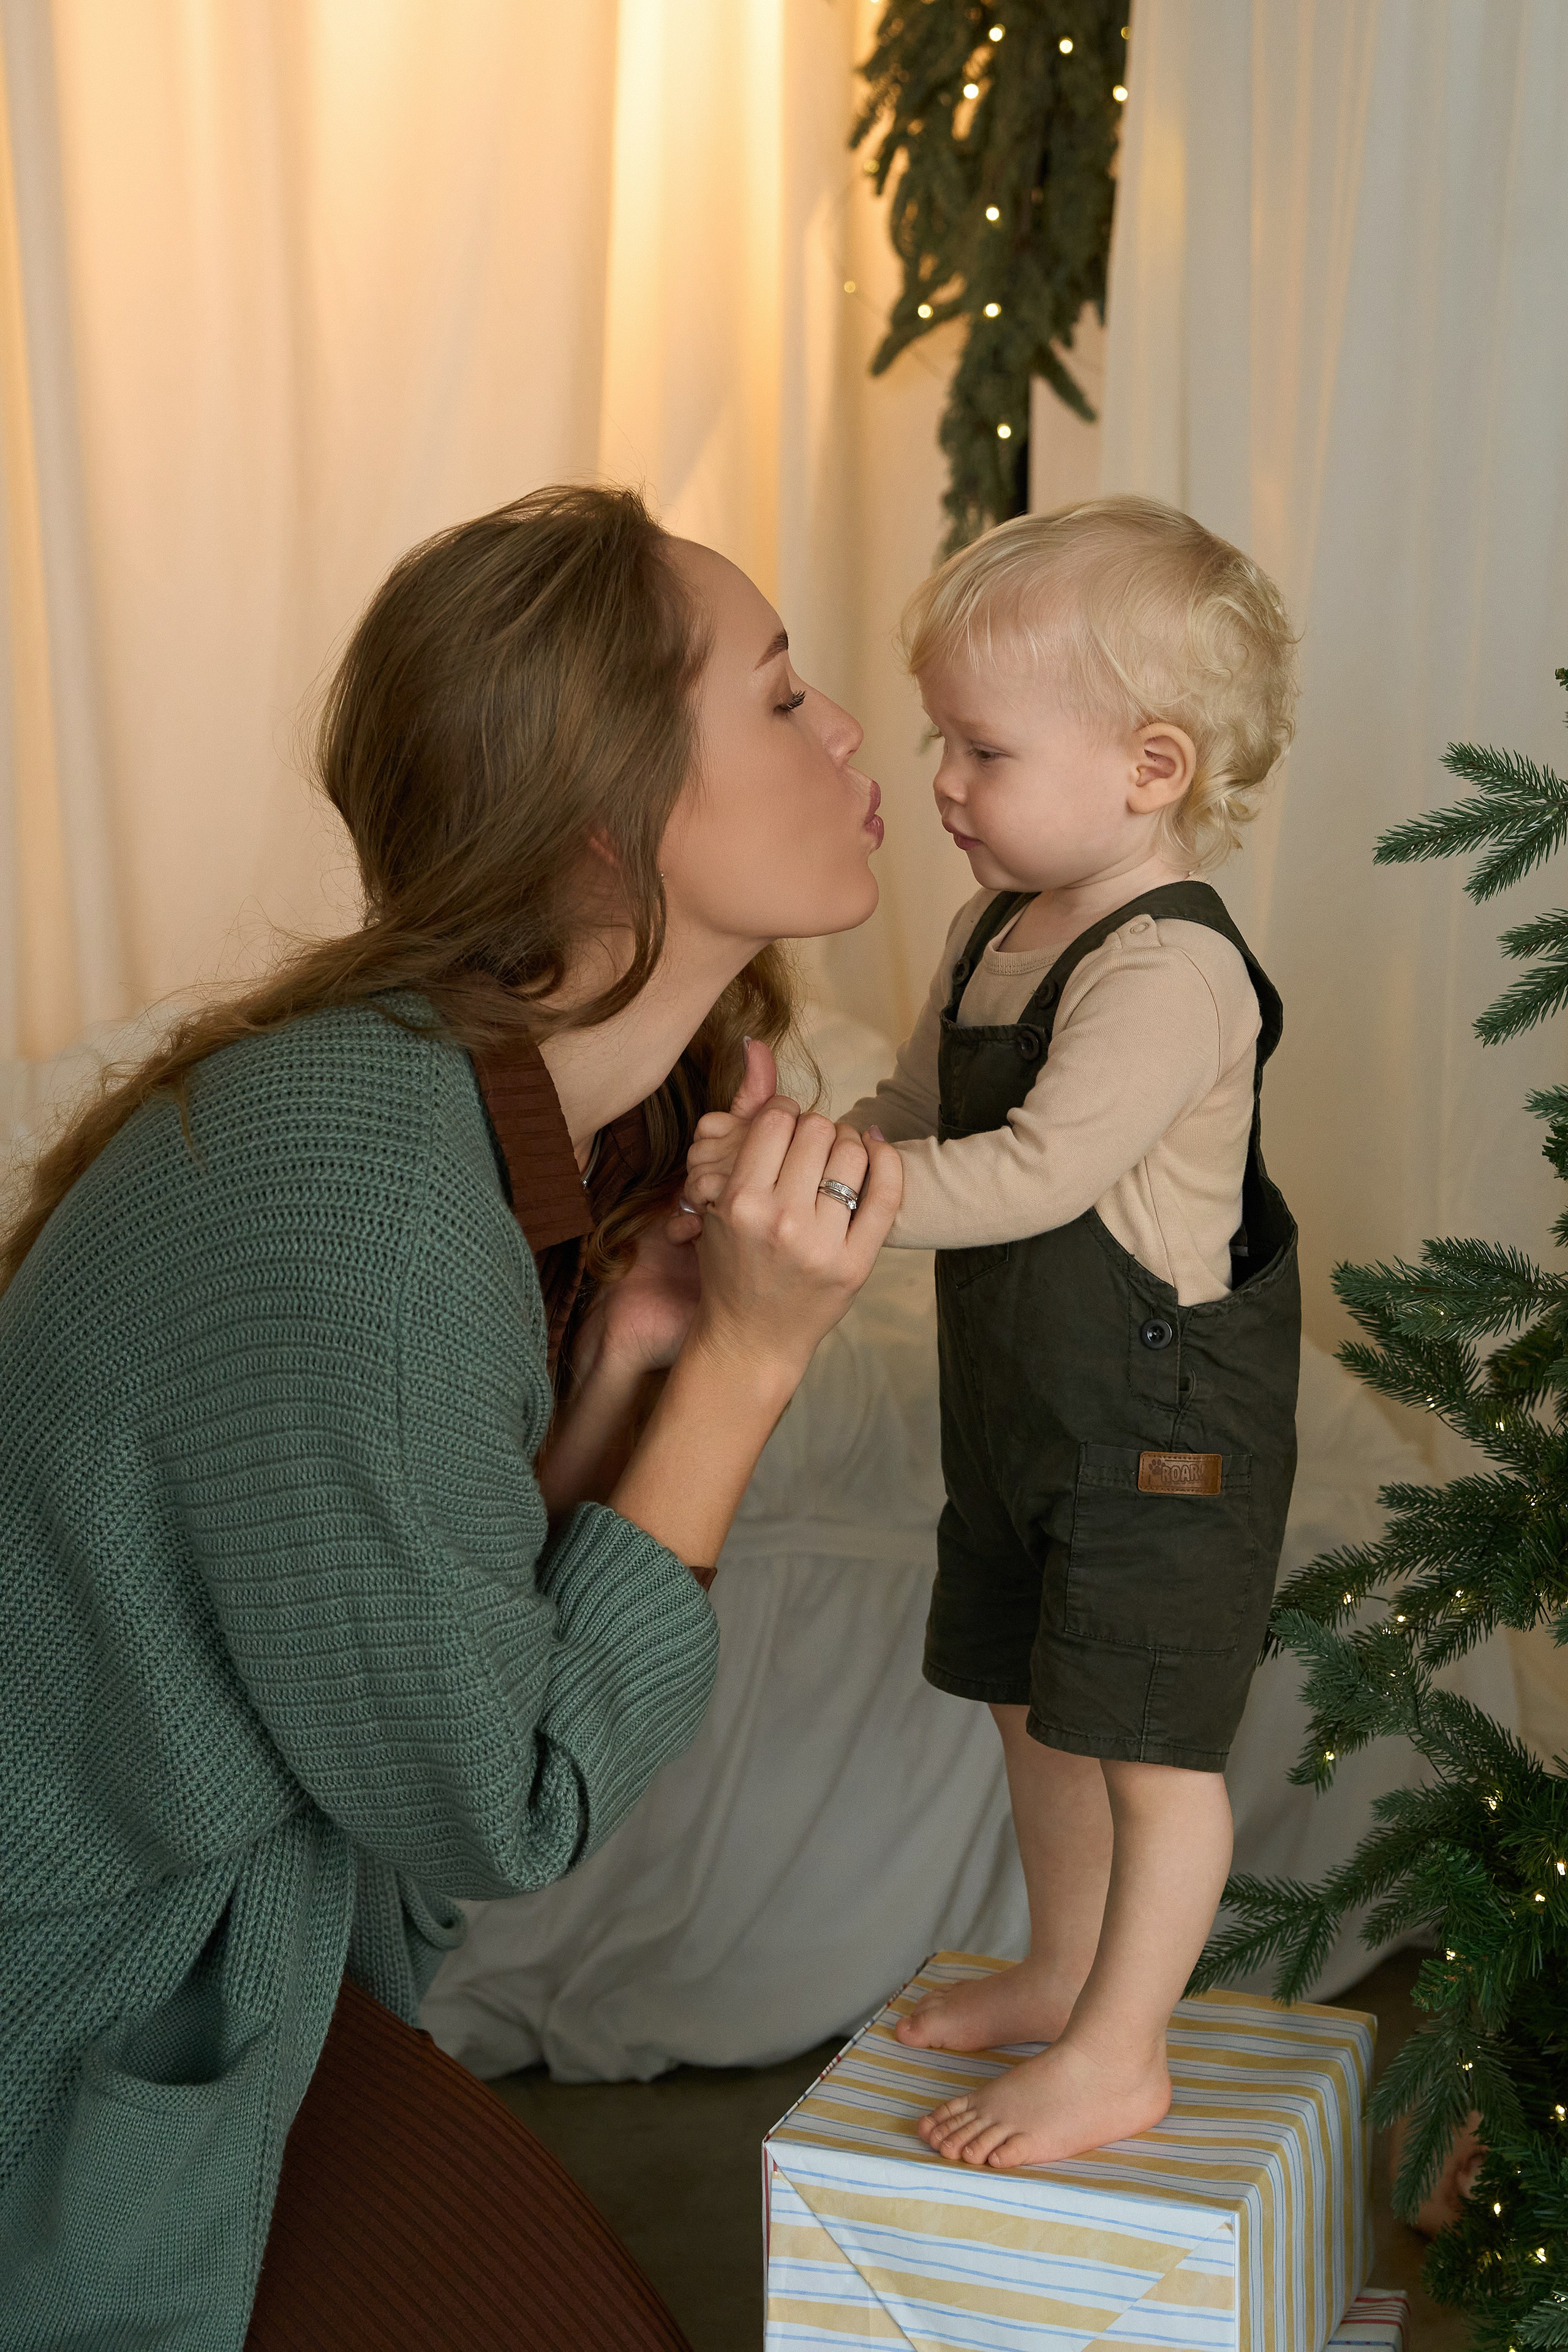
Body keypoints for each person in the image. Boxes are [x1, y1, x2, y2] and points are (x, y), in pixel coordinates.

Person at [0, 483, 900, 2348]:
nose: (851, 737)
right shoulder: (371, 1182)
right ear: (610, 808)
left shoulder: (469, 1139)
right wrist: (744, 1366)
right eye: (784, 695)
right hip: (72, 2020)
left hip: (245, 1995)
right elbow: (502, 1797)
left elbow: (417, 1627)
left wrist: (638, 1377)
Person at [685, 495, 1300, 2169]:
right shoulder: (989, 928)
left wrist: (827, 1194)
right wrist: (808, 1135)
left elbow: (1030, 1172)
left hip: (1164, 1431)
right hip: (1029, 1419)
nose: (940, 781)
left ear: (1149, 768)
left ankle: (1123, 2050)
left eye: (985, 748)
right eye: (946, 738)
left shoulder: (1171, 971)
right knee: (1033, 1711)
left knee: (1147, 1747)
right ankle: (1056, 1966)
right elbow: (912, 1104)